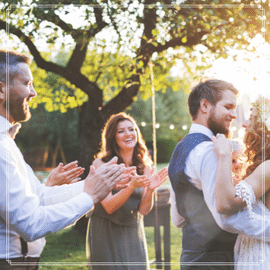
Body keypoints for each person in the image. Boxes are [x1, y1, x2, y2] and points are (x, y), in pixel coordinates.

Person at [0, 49, 126, 269]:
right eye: (27, 83)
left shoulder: (7, 142)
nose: (34, 92)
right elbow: (31, 224)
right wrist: (91, 195)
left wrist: (90, 185)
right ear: (1, 90)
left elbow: (39, 196)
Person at [168, 79, 270, 270]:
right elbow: (226, 219)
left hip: (191, 257)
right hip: (216, 259)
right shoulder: (211, 151)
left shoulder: (180, 148)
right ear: (205, 105)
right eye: (228, 107)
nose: (233, 115)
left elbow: (178, 219)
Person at [86, 112, 168, 270]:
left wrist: (150, 190)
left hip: (132, 230)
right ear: (112, 137)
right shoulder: (101, 164)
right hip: (105, 230)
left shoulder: (145, 167)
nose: (128, 134)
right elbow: (109, 206)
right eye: (121, 131)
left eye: (131, 129)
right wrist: (131, 187)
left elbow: (143, 210)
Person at [213, 96, 270, 269]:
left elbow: (224, 205)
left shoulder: (268, 168)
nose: (244, 123)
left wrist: (224, 156)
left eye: (251, 118)